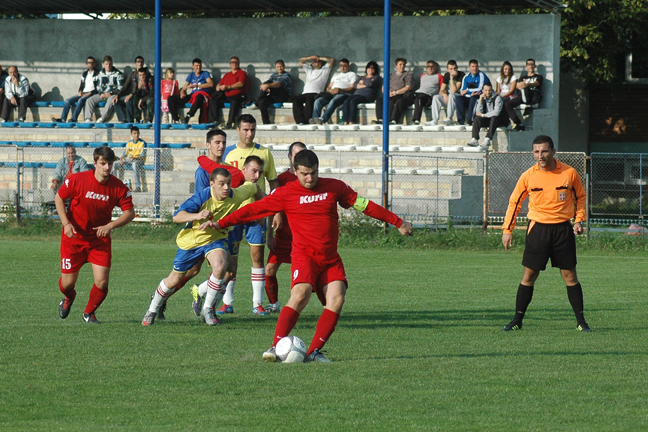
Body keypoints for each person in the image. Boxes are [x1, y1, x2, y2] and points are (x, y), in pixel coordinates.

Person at [211, 149, 413, 362]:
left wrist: (397, 222)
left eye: (314, 173)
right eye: (305, 174)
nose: (310, 178)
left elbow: (365, 206)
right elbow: (252, 210)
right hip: (304, 256)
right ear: (295, 171)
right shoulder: (285, 193)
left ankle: (314, 352)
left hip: (330, 258)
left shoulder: (335, 187)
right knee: (301, 294)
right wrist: (222, 223)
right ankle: (275, 347)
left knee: (337, 298)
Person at [142, 166, 264, 326]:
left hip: (216, 239)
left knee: (222, 267)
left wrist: (266, 210)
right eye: (222, 183)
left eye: (228, 183)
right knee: (174, 279)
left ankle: (208, 309)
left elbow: (255, 187)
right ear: (212, 184)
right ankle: (151, 310)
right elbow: (177, 217)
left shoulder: (236, 194)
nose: (226, 187)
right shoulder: (203, 197)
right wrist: (197, 215)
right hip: (192, 242)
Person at [501, 135, 591, 333]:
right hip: (538, 230)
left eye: (544, 151)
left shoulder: (569, 173)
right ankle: (517, 320)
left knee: (569, 275)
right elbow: (514, 203)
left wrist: (579, 220)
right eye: (536, 152)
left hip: (563, 230)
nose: (540, 156)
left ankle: (581, 322)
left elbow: (581, 197)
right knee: (529, 275)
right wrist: (507, 230)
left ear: (553, 152)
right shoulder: (528, 176)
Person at [55, 145, 135, 324]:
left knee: (102, 282)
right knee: (67, 284)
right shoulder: (78, 180)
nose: (107, 168)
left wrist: (111, 225)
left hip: (99, 241)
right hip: (73, 239)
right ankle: (69, 297)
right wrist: (66, 223)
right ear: (95, 163)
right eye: (103, 163)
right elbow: (59, 198)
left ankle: (89, 313)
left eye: (110, 164)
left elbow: (129, 213)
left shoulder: (118, 187)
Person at [219, 114, 279, 315]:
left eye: (252, 129)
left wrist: (275, 211)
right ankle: (227, 303)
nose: (249, 133)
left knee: (257, 256)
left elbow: (273, 183)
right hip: (233, 214)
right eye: (245, 129)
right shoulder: (228, 154)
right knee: (230, 260)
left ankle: (257, 303)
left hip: (257, 215)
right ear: (237, 130)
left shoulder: (264, 153)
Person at [264, 141, 307, 313]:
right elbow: (269, 207)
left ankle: (295, 306)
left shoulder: (310, 179)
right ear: (290, 157)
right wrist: (269, 234)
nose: (299, 157)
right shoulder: (280, 180)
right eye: (296, 154)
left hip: (303, 237)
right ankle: (274, 303)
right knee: (269, 269)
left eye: (303, 153)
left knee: (301, 273)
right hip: (283, 235)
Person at [310, 59, 357, 125]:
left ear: (348, 66)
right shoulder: (336, 76)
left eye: (344, 66)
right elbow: (328, 87)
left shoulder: (352, 74)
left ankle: (323, 119)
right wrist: (330, 90)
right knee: (318, 101)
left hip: (343, 94)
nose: (342, 68)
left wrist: (340, 89)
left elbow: (352, 88)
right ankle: (315, 119)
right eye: (341, 66)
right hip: (331, 94)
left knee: (333, 101)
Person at [52, 57, 99, 123]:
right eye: (89, 62)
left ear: (95, 64)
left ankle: (74, 119)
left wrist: (90, 93)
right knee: (67, 101)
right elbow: (82, 85)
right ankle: (63, 119)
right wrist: (80, 91)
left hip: (91, 93)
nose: (90, 64)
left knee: (80, 100)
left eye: (92, 62)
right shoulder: (85, 74)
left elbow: (98, 87)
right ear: (86, 64)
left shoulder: (98, 73)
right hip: (83, 93)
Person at [167, 58, 214, 124]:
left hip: (202, 95)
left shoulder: (205, 73)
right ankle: (176, 120)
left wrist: (196, 86)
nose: (198, 67)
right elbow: (184, 88)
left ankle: (188, 116)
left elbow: (211, 84)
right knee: (170, 98)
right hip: (192, 95)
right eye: (196, 66)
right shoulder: (191, 75)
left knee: (199, 96)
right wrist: (182, 93)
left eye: (199, 66)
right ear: (193, 66)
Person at [208, 56, 249, 129]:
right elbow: (219, 84)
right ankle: (214, 121)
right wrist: (218, 87)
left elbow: (240, 84)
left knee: (234, 102)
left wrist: (228, 87)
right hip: (227, 96)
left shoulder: (242, 73)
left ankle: (230, 122)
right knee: (213, 101)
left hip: (239, 96)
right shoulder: (227, 74)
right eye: (232, 62)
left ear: (239, 63)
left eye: (236, 62)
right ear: (230, 64)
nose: (234, 64)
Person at [292, 55, 334, 125]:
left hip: (315, 93)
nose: (317, 62)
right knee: (296, 100)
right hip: (305, 93)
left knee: (309, 102)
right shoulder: (309, 70)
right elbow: (300, 61)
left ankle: (306, 121)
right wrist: (309, 58)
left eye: (319, 62)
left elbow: (331, 60)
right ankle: (300, 121)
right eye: (315, 61)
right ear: (312, 63)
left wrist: (319, 58)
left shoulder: (324, 70)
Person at [505, 59, 544, 132]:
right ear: (526, 66)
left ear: (534, 66)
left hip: (533, 95)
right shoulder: (522, 78)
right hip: (522, 96)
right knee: (507, 104)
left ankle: (528, 104)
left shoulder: (539, 77)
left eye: (532, 64)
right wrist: (518, 85)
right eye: (529, 64)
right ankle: (518, 123)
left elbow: (536, 83)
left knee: (525, 86)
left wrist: (527, 84)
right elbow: (518, 86)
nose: (530, 66)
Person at [466, 82, 509, 149]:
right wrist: (480, 101)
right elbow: (478, 112)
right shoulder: (482, 98)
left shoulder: (498, 98)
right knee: (477, 118)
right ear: (483, 91)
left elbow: (496, 112)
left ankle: (488, 139)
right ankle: (475, 138)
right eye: (486, 90)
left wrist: (484, 115)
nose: (488, 92)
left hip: (500, 120)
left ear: (492, 90)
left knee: (494, 117)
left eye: (489, 90)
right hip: (489, 119)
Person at [84, 56, 124, 123]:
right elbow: (98, 86)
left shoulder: (118, 74)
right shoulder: (100, 73)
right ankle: (88, 119)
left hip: (113, 94)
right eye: (106, 64)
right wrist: (101, 93)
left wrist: (110, 93)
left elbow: (121, 87)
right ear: (103, 65)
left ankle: (102, 118)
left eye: (110, 64)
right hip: (103, 94)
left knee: (111, 100)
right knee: (89, 100)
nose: (108, 66)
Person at [374, 57, 413, 125]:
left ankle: (389, 120)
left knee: (392, 102)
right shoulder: (391, 75)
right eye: (400, 64)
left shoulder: (407, 75)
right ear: (396, 65)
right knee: (379, 101)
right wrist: (386, 93)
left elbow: (408, 87)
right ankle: (380, 119)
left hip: (399, 94)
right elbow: (383, 86)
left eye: (404, 64)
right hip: (388, 93)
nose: (402, 66)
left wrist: (395, 93)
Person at [254, 60, 291, 125]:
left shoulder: (287, 75)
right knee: (262, 102)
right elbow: (268, 82)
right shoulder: (273, 75)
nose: (279, 68)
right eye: (278, 67)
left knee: (270, 85)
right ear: (275, 67)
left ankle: (256, 101)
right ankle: (266, 123)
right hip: (274, 95)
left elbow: (280, 84)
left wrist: (268, 86)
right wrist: (264, 85)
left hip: (283, 95)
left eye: (281, 66)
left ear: (284, 66)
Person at [429, 60, 465, 126]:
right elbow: (441, 90)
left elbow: (454, 90)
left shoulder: (461, 75)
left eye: (454, 68)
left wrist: (452, 78)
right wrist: (444, 94)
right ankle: (434, 120)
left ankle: (449, 118)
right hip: (449, 99)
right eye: (451, 69)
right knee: (436, 97)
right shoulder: (446, 75)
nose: (453, 71)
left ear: (457, 68)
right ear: (447, 69)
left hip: (458, 99)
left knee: (451, 95)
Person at [457, 59, 490, 126]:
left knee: (473, 97)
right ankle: (461, 120)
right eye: (473, 66)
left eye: (476, 66)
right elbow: (462, 91)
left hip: (479, 97)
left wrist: (468, 91)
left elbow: (480, 89)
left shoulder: (481, 75)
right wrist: (469, 92)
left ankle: (470, 120)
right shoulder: (466, 77)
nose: (475, 68)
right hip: (468, 96)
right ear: (469, 67)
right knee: (458, 98)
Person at [113, 126, 147, 192]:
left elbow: (142, 156)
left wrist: (134, 157)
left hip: (139, 160)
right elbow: (124, 154)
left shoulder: (143, 143)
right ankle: (114, 184)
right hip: (130, 160)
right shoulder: (129, 143)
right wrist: (121, 159)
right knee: (115, 164)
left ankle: (138, 187)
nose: (136, 135)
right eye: (134, 133)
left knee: (134, 164)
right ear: (131, 134)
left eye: (137, 133)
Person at [411, 60, 443, 125]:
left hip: (428, 96)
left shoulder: (439, 76)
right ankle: (391, 120)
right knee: (403, 98)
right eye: (428, 66)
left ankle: (416, 120)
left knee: (419, 99)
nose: (430, 68)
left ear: (436, 68)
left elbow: (442, 88)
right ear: (426, 68)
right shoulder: (422, 76)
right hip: (418, 93)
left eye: (432, 66)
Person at [115, 56, 145, 122]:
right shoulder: (132, 74)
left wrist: (131, 94)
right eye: (138, 62)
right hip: (132, 94)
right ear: (135, 63)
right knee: (116, 101)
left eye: (141, 62)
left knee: (129, 100)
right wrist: (117, 95)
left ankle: (130, 120)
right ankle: (123, 119)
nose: (140, 63)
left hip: (139, 95)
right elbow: (125, 86)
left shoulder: (144, 73)